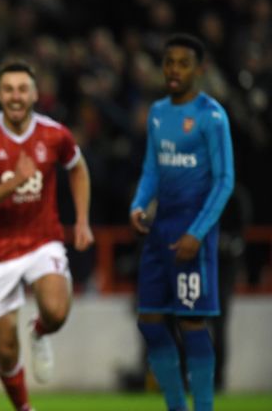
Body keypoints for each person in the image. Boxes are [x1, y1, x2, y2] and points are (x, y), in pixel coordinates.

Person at [0, 60, 94, 411]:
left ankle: (39, 331)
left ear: (36, 94)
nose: (16, 96)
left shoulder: (55, 134)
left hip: (42, 238)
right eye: (8, 90)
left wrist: (82, 219)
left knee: (56, 311)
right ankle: (24, 407)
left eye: (23, 89)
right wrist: (15, 182)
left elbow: (78, 168)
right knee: (6, 351)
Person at [130, 33, 234, 411]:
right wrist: (139, 204)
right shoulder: (158, 111)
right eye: (169, 62)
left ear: (200, 69)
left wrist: (198, 232)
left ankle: (202, 406)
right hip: (160, 232)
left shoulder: (212, 115)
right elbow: (152, 169)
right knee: (150, 320)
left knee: (192, 323)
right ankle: (177, 406)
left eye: (183, 63)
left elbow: (225, 181)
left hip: (194, 234)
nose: (174, 69)